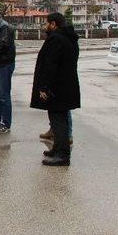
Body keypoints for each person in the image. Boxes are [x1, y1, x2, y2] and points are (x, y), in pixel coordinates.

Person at [30, 13, 80, 166]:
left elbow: (51, 65)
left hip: (57, 88)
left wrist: (44, 86)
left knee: (59, 121)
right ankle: (57, 149)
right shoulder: (68, 38)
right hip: (65, 86)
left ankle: (63, 155)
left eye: (47, 24)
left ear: (53, 24)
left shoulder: (56, 39)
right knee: (59, 119)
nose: (45, 26)